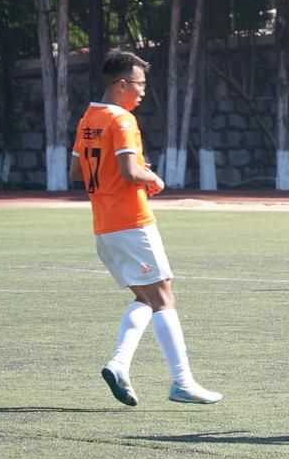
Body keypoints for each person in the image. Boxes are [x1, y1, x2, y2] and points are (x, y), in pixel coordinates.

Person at [71, 49, 221, 407]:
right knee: (164, 298)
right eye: (139, 84)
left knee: (147, 299)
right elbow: (129, 171)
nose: (143, 91)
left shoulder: (89, 118)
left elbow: (77, 172)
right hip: (132, 223)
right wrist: (151, 177)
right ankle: (182, 382)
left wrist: (130, 172)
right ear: (121, 84)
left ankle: (119, 364)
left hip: (105, 227)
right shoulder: (122, 120)